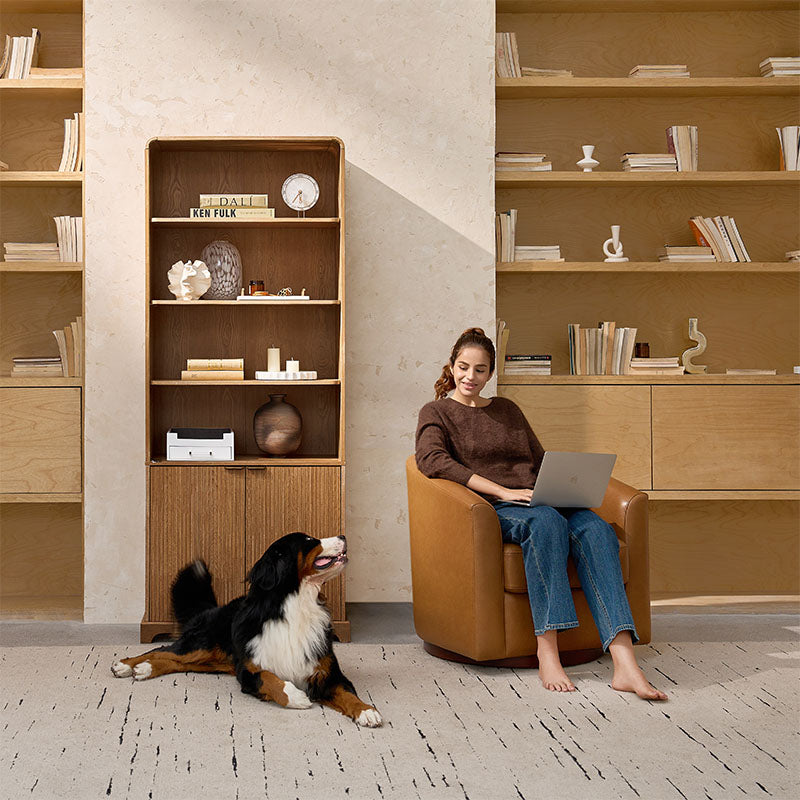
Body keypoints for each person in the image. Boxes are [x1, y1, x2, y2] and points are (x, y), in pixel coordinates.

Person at [415, 327, 667, 700]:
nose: (470, 377)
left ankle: (624, 662)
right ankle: (547, 651)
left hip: (539, 498)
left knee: (597, 530)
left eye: (480, 370)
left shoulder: (507, 410)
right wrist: (503, 491)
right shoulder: (436, 412)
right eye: (463, 367)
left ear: (491, 372)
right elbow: (431, 460)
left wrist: (565, 485)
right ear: (452, 366)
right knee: (546, 522)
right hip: (495, 507)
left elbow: (539, 459)